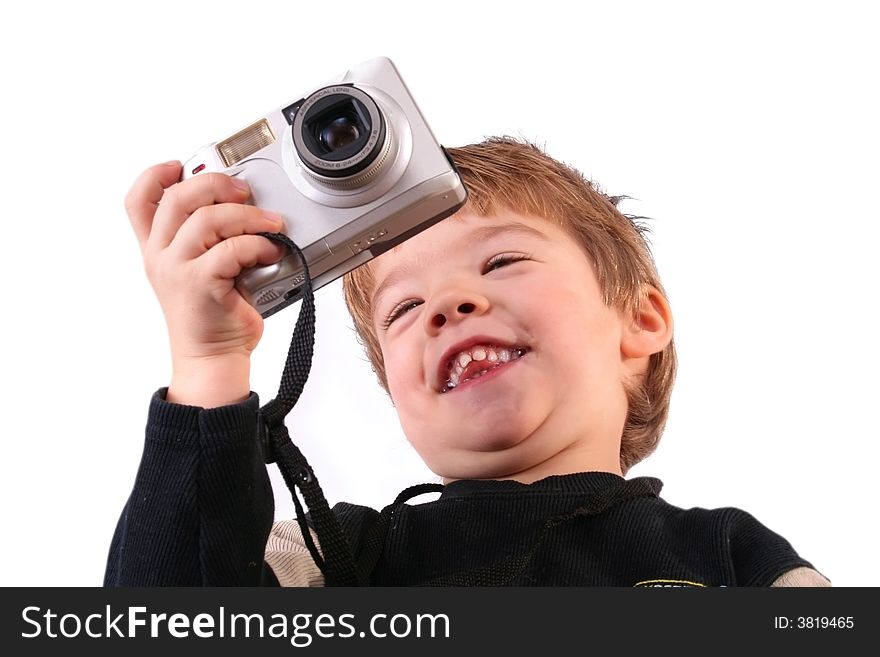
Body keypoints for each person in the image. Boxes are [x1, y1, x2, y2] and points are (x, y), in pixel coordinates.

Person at [104, 137, 829, 587]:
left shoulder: (735, 555)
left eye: (503, 260)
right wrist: (209, 359)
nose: (447, 304)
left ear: (639, 321)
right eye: (403, 310)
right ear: (395, 393)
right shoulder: (333, 559)